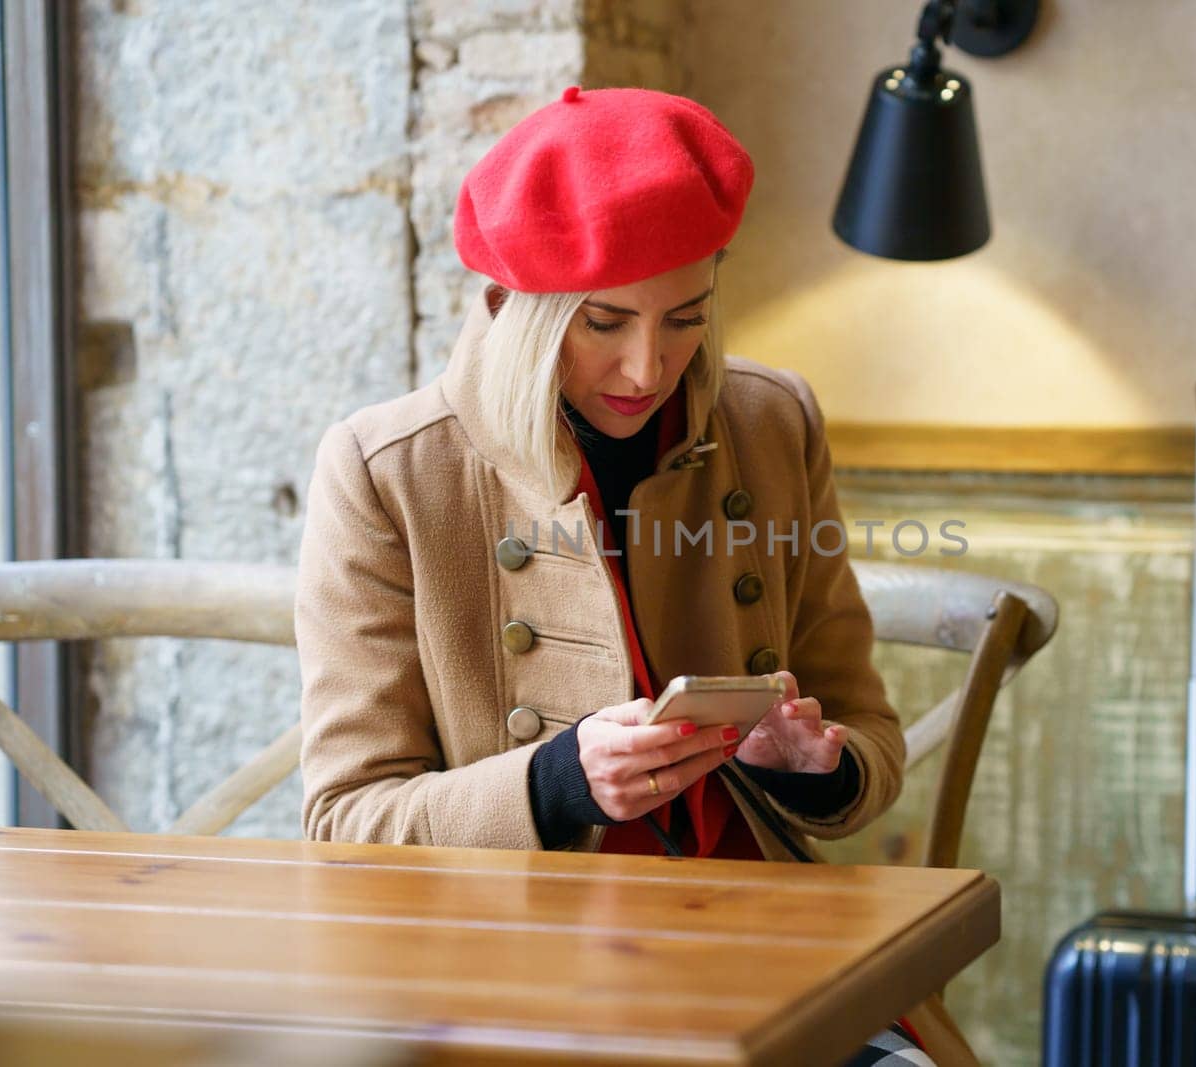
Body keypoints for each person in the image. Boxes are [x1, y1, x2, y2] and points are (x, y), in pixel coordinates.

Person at [295, 86, 937, 1064]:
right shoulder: (389, 470)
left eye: (687, 316)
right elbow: (346, 824)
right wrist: (557, 780)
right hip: (511, 974)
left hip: (762, 946)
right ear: (517, 308)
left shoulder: (771, 423)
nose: (650, 366)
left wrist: (817, 766)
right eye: (603, 322)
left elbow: (867, 728)